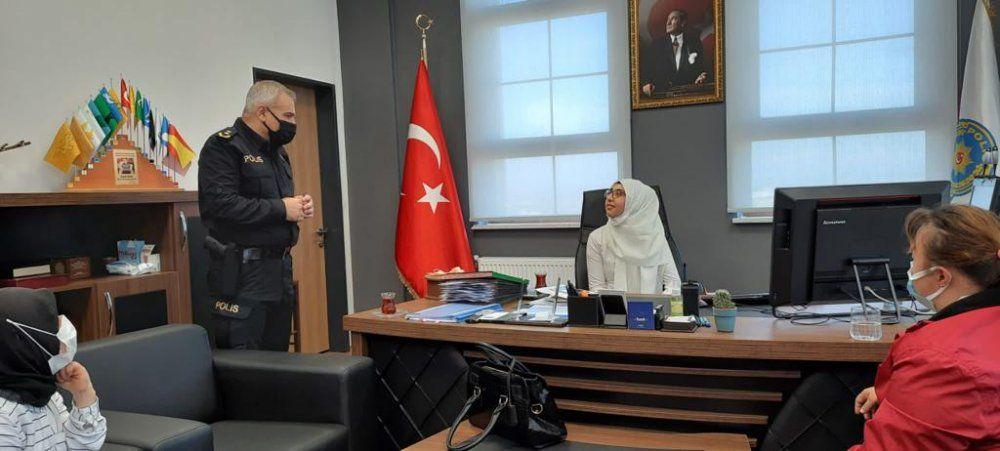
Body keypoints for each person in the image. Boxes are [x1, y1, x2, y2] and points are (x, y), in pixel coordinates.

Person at [851, 205, 1000, 449]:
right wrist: (899, 394)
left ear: (941, 277)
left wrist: (920, 389)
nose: (910, 267)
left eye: (914, 257)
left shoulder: (940, 361)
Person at [198, 80, 315, 350]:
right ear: (262, 112)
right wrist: (282, 208)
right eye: (288, 116)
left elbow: (274, 204)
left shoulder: (278, 153)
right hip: (242, 273)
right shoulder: (224, 146)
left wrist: (298, 205)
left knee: (278, 360)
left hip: (279, 271)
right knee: (243, 361)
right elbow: (221, 205)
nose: (293, 123)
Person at [0, 288, 106, 450]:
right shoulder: (4, 417)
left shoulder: (43, 392)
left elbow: (82, 446)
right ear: (23, 345)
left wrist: (83, 394)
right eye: (54, 327)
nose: (65, 332)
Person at [587, 179, 681, 295]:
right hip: (612, 306)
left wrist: (658, 304)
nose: (609, 198)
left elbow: (674, 286)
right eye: (609, 193)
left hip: (652, 305)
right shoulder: (597, 238)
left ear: (636, 202)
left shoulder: (655, 238)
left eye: (618, 194)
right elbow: (596, 289)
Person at [641, 9, 709, 96]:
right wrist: (646, 83)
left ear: (683, 23)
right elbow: (647, 69)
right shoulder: (657, 44)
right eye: (667, 19)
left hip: (688, 93)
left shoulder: (694, 43)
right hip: (662, 93)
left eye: (673, 18)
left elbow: (701, 68)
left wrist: (702, 76)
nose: (668, 23)